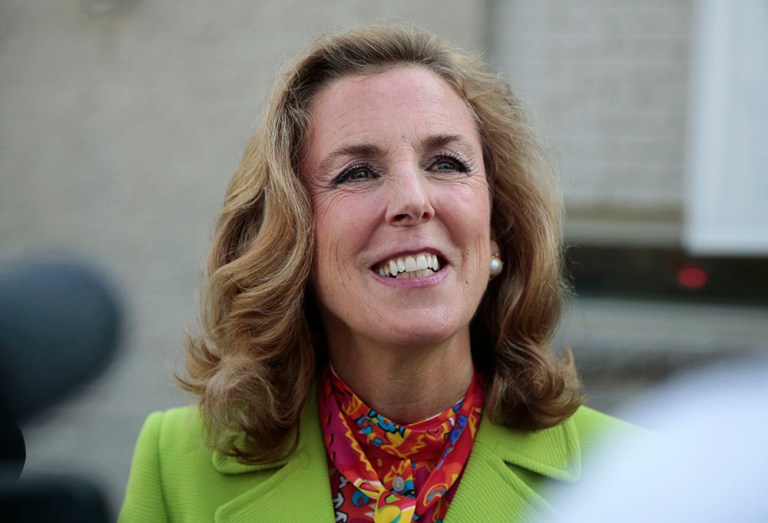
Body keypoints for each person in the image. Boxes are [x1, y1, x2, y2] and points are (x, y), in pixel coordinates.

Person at [119, 25, 639, 522]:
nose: (413, 201)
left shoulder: (634, 475)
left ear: (496, 228)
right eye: (358, 172)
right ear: (291, 238)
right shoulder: (176, 464)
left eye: (447, 163)